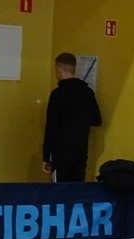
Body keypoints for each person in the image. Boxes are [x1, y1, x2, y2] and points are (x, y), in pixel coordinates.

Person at [41, 52, 102, 182]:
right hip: (80, 151)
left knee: (59, 190)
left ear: (59, 69)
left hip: (60, 153)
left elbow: (51, 127)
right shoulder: (88, 93)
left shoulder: (57, 95)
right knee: (77, 189)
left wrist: (46, 157)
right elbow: (97, 120)